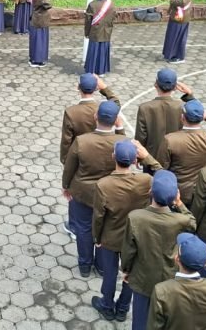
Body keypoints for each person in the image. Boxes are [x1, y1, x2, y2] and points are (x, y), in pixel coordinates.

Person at [90, 140, 161, 322]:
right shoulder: (147, 181)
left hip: (110, 236)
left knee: (110, 272)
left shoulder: (104, 184)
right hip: (135, 237)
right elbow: (165, 176)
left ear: (114, 157)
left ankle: (107, 304)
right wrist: (148, 159)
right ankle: (122, 308)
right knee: (131, 274)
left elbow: (99, 216)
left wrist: (97, 237)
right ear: (134, 160)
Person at [121, 170, 195, 330]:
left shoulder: (135, 217)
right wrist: (180, 204)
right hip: (169, 277)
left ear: (150, 192)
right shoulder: (182, 220)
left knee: (140, 318)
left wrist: (126, 269)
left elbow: (129, 249)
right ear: (176, 195)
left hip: (142, 276)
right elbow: (193, 224)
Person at [62, 100, 125, 276]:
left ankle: (84, 265)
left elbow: (69, 167)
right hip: (111, 194)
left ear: (96, 117)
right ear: (116, 119)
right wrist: (120, 129)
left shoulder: (82, 141)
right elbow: (125, 150)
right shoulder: (121, 141)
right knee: (105, 229)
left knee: (83, 228)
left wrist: (66, 186)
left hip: (83, 193)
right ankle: (102, 266)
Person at [163, 100, 206, 206]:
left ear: (182, 118)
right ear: (202, 118)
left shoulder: (170, 140)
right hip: (199, 190)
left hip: (176, 191)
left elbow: (163, 166)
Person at [134, 70, 196, 169]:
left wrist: (139, 156)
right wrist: (190, 96)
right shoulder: (183, 107)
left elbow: (141, 136)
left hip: (151, 159)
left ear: (155, 85)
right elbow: (197, 115)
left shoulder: (145, 108)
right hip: (176, 159)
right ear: (175, 87)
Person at [60, 75, 120, 164]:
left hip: (79, 153)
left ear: (78, 87)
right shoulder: (103, 109)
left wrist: (65, 160)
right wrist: (104, 88)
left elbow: (66, 140)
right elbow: (116, 103)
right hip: (101, 153)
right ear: (96, 88)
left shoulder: (71, 112)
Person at [161, 0, 194, 64]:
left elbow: (184, 2)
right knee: (172, 34)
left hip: (182, 15)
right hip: (175, 13)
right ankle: (170, 54)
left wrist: (170, 0)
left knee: (179, 36)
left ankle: (179, 57)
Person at [83, 0, 116, 75]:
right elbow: (113, 18)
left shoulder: (92, 5)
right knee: (102, 52)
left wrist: (87, 33)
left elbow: (88, 21)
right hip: (106, 33)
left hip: (95, 33)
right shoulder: (111, 4)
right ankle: (101, 71)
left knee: (94, 52)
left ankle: (91, 70)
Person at [28, 0, 54, 68]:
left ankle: (33, 58)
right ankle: (37, 60)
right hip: (40, 21)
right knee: (39, 41)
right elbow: (48, 5)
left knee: (35, 40)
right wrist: (50, 1)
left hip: (36, 20)